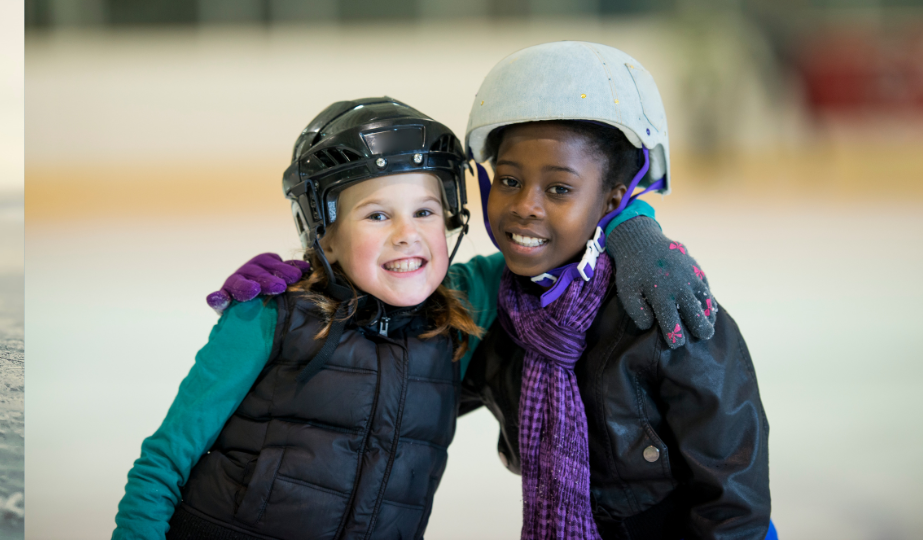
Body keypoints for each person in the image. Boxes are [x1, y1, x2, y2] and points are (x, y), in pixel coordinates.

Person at [116, 98, 490, 540]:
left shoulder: (457, 319)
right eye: (377, 215)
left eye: (425, 212)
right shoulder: (270, 314)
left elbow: (555, 249)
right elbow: (163, 463)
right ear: (324, 237)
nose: (407, 233)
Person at [454, 42, 770, 539]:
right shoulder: (499, 311)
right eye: (509, 180)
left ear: (612, 200)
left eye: (559, 189)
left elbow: (732, 489)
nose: (526, 206)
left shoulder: (661, 304)